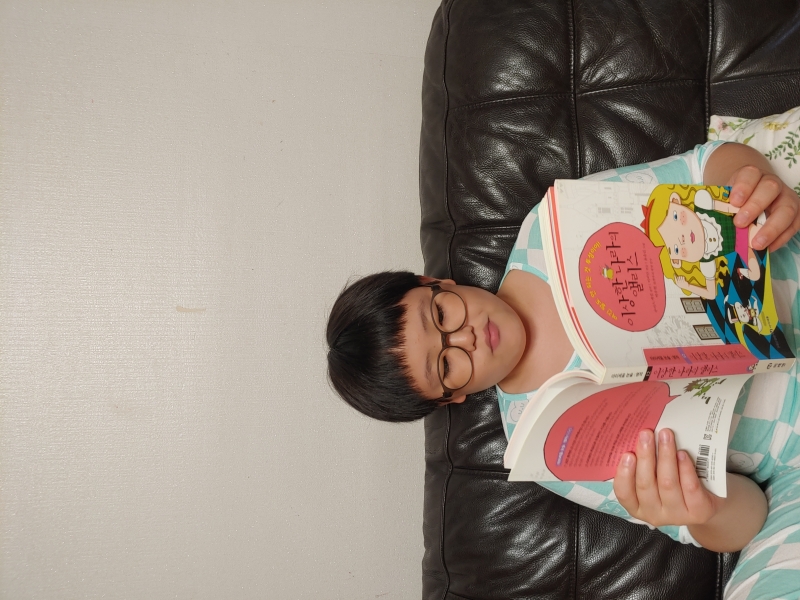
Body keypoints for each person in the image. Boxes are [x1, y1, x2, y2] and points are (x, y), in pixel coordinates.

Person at [326, 140, 800, 599]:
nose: (466, 337)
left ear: (437, 282)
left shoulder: (550, 229)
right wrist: (700, 509)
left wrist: (748, 185)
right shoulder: (546, 442)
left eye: (441, 315)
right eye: (447, 364)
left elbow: (705, 166)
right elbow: (750, 520)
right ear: (452, 397)